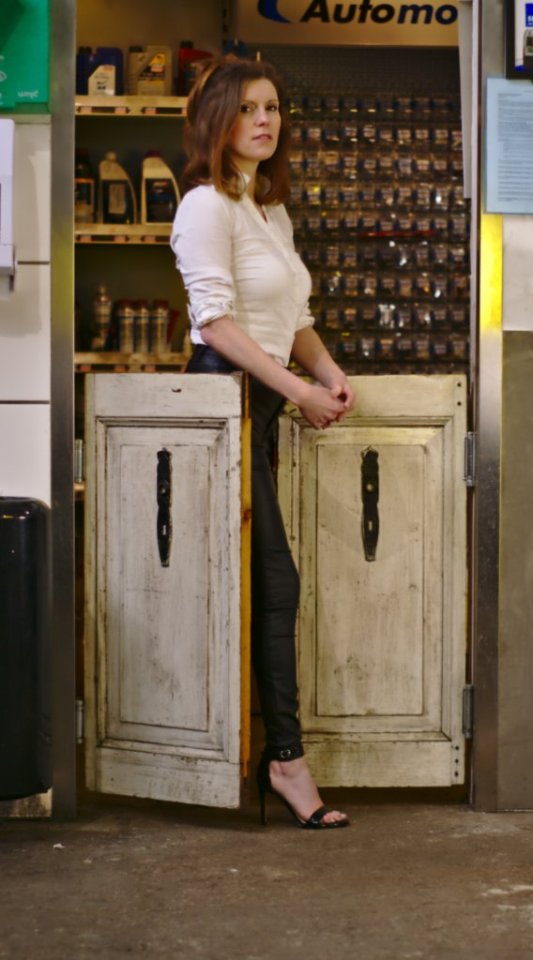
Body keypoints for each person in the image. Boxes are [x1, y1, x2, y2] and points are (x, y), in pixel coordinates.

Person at [171, 55, 354, 829]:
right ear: (217, 119)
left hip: (263, 402)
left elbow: (292, 320)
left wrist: (327, 372)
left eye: (272, 107)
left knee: (265, 586)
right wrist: (297, 390)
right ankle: (282, 761)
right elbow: (214, 323)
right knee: (271, 586)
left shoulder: (267, 210)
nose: (264, 120)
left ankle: (263, 756)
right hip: (224, 400)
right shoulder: (205, 206)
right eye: (247, 108)